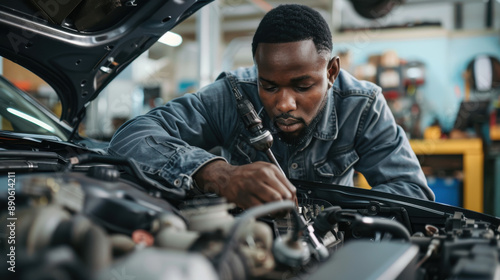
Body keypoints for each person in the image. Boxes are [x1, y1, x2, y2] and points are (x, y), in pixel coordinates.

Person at [108, 4, 435, 209]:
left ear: (331, 72)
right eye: (269, 85)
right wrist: (219, 175)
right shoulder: (231, 96)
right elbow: (132, 137)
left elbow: (411, 195)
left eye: (302, 85)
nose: (284, 104)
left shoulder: (363, 106)